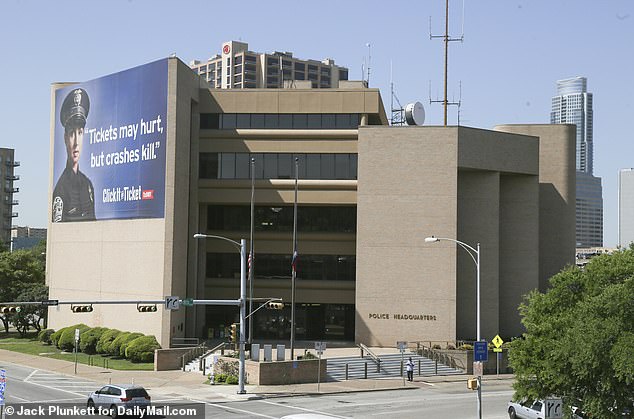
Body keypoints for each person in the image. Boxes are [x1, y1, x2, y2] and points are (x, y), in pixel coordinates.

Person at [52, 88, 95, 222]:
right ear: (65, 138)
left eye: (80, 133)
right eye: (72, 134)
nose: (76, 142)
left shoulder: (87, 184)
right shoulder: (61, 190)